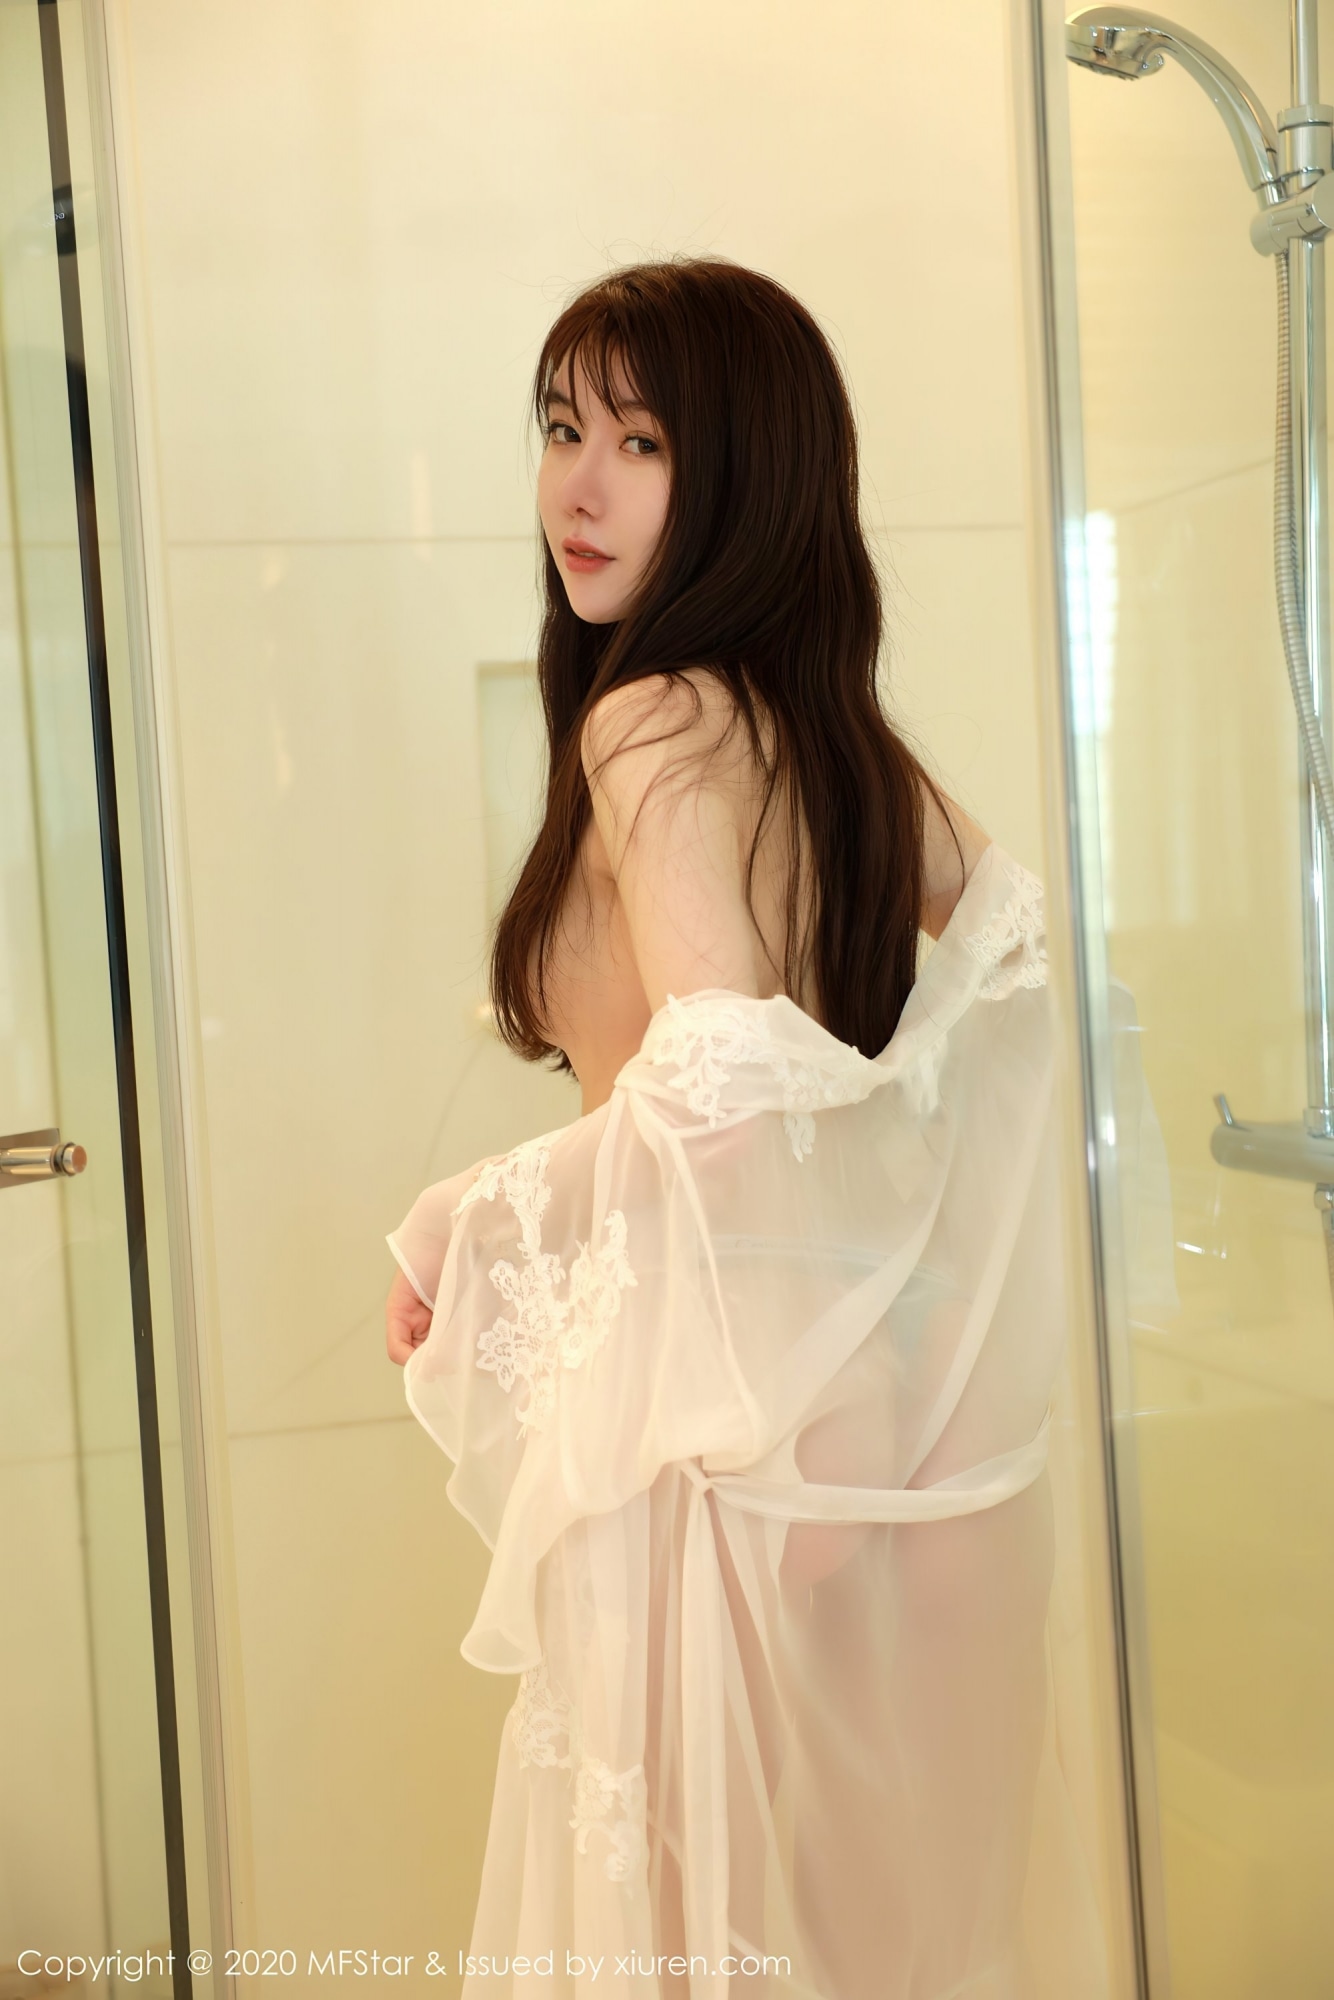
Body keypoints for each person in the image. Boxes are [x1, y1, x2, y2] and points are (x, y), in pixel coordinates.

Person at [383, 259, 1100, 1999]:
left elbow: (714, 1095)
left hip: (703, 1436)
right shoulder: (828, 737)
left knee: (685, 1946)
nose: (577, 486)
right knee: (872, 1948)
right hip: (859, 1428)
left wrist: (468, 1214)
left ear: (746, 473)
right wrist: (921, 1259)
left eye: (640, 443)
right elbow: (1014, 953)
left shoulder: (647, 723)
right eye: (562, 429)